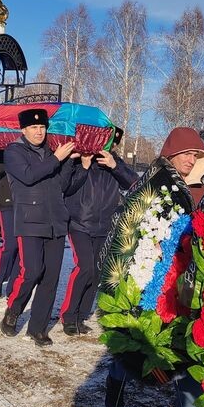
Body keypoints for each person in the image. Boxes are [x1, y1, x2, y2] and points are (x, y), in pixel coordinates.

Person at [104, 126, 204, 407]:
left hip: (188, 285)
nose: (191, 160)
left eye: (196, 155)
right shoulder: (151, 186)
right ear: (172, 154)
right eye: (186, 154)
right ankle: (117, 380)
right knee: (141, 342)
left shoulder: (202, 194)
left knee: (187, 348)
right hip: (149, 280)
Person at [0, 109, 84, 346]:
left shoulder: (50, 152)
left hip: (55, 221)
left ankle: (37, 329)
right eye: (34, 128)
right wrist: (57, 158)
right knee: (32, 271)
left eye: (42, 128)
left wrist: (71, 163)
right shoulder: (14, 151)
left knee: (50, 278)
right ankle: (14, 310)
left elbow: (62, 186)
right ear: (23, 130)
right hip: (30, 220)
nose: (39, 132)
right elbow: (28, 176)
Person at [61, 127, 137, 335]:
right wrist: (84, 167)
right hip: (79, 223)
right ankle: (68, 315)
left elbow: (134, 184)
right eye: (106, 141)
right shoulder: (81, 159)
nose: (108, 146)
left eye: (112, 143)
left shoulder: (115, 163)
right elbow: (66, 187)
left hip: (104, 226)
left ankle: (81, 314)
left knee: (95, 272)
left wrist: (115, 167)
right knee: (84, 268)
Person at [0, 152, 18, 298]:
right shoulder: (5, 148)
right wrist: (14, 165)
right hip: (7, 201)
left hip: (28, 202)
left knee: (23, 246)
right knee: (11, 244)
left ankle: (13, 285)